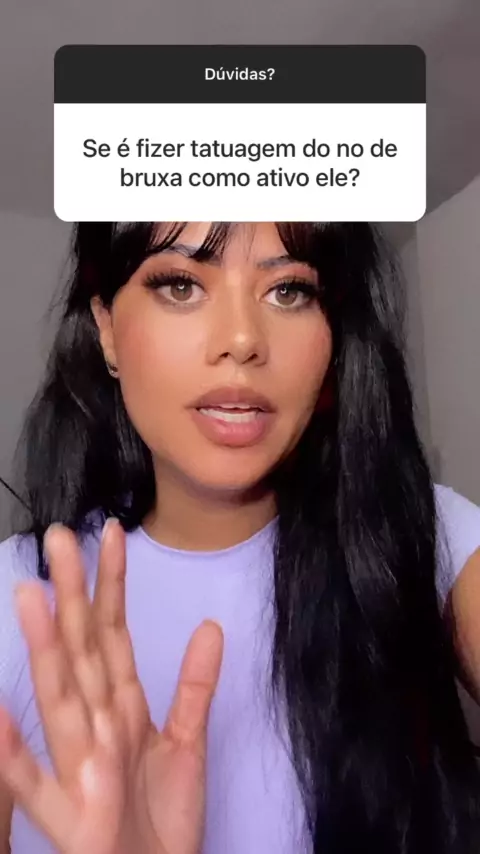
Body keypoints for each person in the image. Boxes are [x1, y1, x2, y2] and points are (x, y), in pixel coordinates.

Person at [0, 221, 479, 854]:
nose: (242, 339)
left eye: (289, 291)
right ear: (106, 329)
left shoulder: (424, 533)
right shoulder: (16, 595)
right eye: (180, 285)